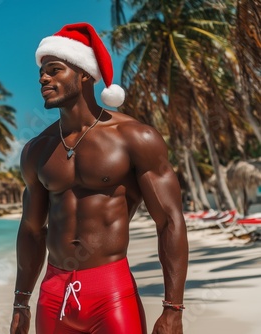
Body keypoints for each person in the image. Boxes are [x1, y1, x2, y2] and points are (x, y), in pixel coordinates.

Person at [10, 23, 188, 334]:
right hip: (54, 295)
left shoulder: (134, 138)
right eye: (42, 71)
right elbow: (31, 231)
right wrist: (21, 302)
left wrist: (173, 308)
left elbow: (169, 221)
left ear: (85, 75)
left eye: (55, 69)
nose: (43, 78)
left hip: (111, 293)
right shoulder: (37, 150)